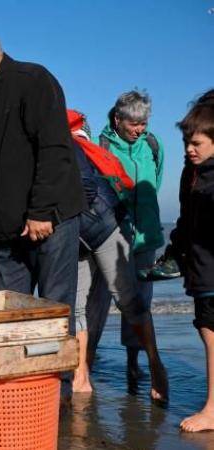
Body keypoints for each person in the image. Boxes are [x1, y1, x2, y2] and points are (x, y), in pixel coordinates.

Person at [0, 28, 84, 333]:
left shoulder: (34, 81)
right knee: (9, 318)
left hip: (50, 222)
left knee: (52, 314)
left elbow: (55, 150)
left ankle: (57, 382)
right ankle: (17, 382)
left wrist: (41, 211)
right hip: (6, 234)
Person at [68, 110, 168, 400]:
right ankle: (81, 374)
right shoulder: (91, 146)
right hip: (77, 240)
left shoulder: (81, 150)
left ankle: (155, 365)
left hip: (104, 230)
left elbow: (93, 192)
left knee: (127, 299)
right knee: (80, 307)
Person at [167, 90, 214, 432]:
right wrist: (174, 251)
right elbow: (185, 221)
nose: (189, 149)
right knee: (207, 330)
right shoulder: (191, 174)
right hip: (200, 266)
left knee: (212, 334)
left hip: (211, 270)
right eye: (186, 142)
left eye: (196, 142)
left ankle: (212, 410)